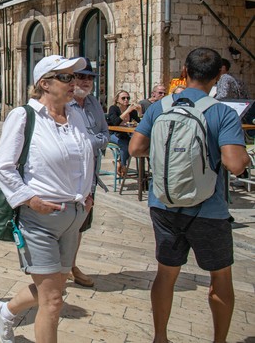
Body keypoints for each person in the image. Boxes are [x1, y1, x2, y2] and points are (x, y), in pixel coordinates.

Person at [129, 48, 250, 343]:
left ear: (185, 69)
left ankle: (160, 337)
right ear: (219, 74)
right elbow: (234, 165)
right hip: (208, 208)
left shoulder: (160, 107)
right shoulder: (221, 112)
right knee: (220, 277)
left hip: (164, 204)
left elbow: (134, 149)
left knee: (166, 274)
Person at [0, 55, 95, 343]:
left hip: (73, 217)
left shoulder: (76, 116)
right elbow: (4, 167)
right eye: (65, 77)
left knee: (54, 291)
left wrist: (87, 193)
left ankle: (6, 311)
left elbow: (84, 159)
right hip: (40, 219)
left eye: (74, 77)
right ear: (44, 83)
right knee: (53, 302)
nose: (74, 82)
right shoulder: (25, 116)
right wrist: (29, 200)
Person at [67, 57, 109, 288]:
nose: (85, 81)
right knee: (65, 219)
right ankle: (59, 268)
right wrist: (92, 141)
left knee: (82, 220)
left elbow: (105, 134)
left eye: (89, 78)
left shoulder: (93, 103)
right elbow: (71, 140)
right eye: (81, 76)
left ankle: (71, 265)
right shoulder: (65, 105)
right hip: (70, 173)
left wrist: (88, 142)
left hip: (90, 172)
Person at [106, 90, 140, 177]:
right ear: (117, 99)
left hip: (126, 134)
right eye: (123, 98)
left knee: (135, 144)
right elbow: (115, 122)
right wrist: (127, 111)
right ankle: (123, 166)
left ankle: (120, 162)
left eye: (128, 98)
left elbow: (139, 122)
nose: (126, 100)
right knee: (125, 145)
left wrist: (139, 111)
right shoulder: (113, 108)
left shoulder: (131, 110)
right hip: (113, 133)